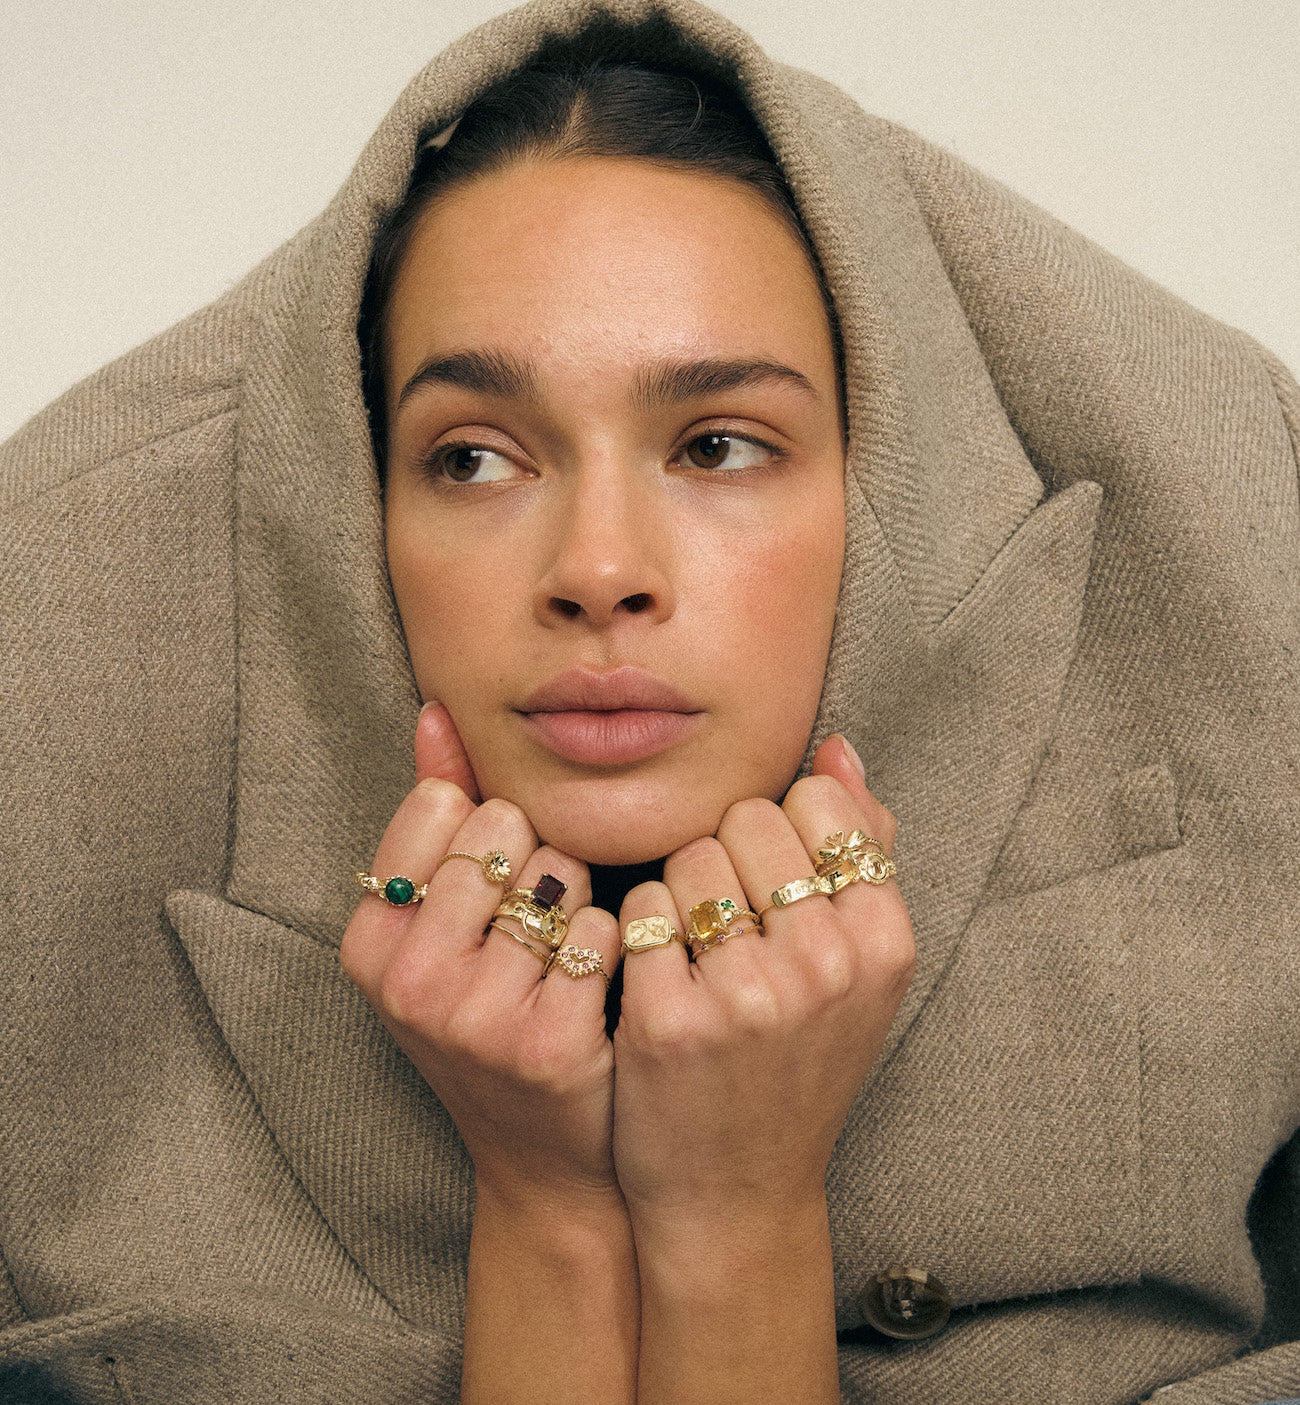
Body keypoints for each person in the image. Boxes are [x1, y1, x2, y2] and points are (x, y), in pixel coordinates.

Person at [1, 2, 1297, 1403]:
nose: (599, 570)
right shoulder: (63, 701)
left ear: (888, 472)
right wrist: (549, 1207)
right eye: (475, 459)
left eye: (719, 445)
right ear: (349, 493)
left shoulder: (1233, 567)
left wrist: (737, 1214)